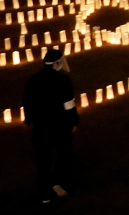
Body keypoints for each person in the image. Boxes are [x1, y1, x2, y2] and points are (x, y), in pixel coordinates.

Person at [23, 48, 78, 203]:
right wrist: (74, 121)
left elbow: (27, 101)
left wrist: (29, 119)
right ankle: (57, 183)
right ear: (56, 63)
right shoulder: (63, 80)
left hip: (41, 126)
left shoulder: (33, 80)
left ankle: (45, 193)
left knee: (43, 160)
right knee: (63, 155)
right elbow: (69, 104)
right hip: (60, 125)